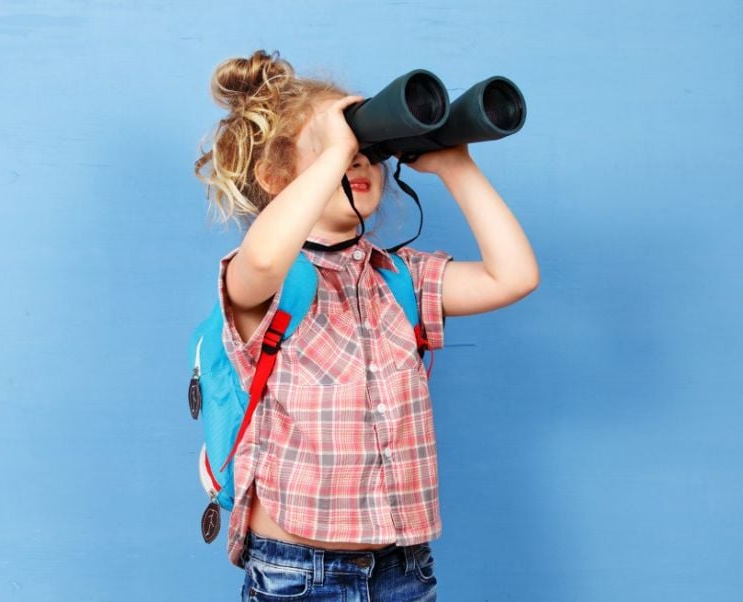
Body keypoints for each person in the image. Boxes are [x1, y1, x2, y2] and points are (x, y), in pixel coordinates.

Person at [193, 49, 539, 601]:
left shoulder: (400, 278)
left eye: (366, 151)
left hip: (402, 568)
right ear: (276, 176)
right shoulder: (267, 280)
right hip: (297, 570)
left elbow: (513, 276)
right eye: (339, 151)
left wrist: (456, 164)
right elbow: (260, 261)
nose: (356, 161)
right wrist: (338, 148)